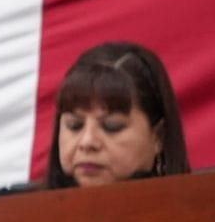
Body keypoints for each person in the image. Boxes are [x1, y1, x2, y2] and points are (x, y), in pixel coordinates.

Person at [45, 41, 190, 189]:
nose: (87, 142)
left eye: (112, 126)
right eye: (74, 125)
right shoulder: (33, 204)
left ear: (158, 137)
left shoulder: (199, 203)